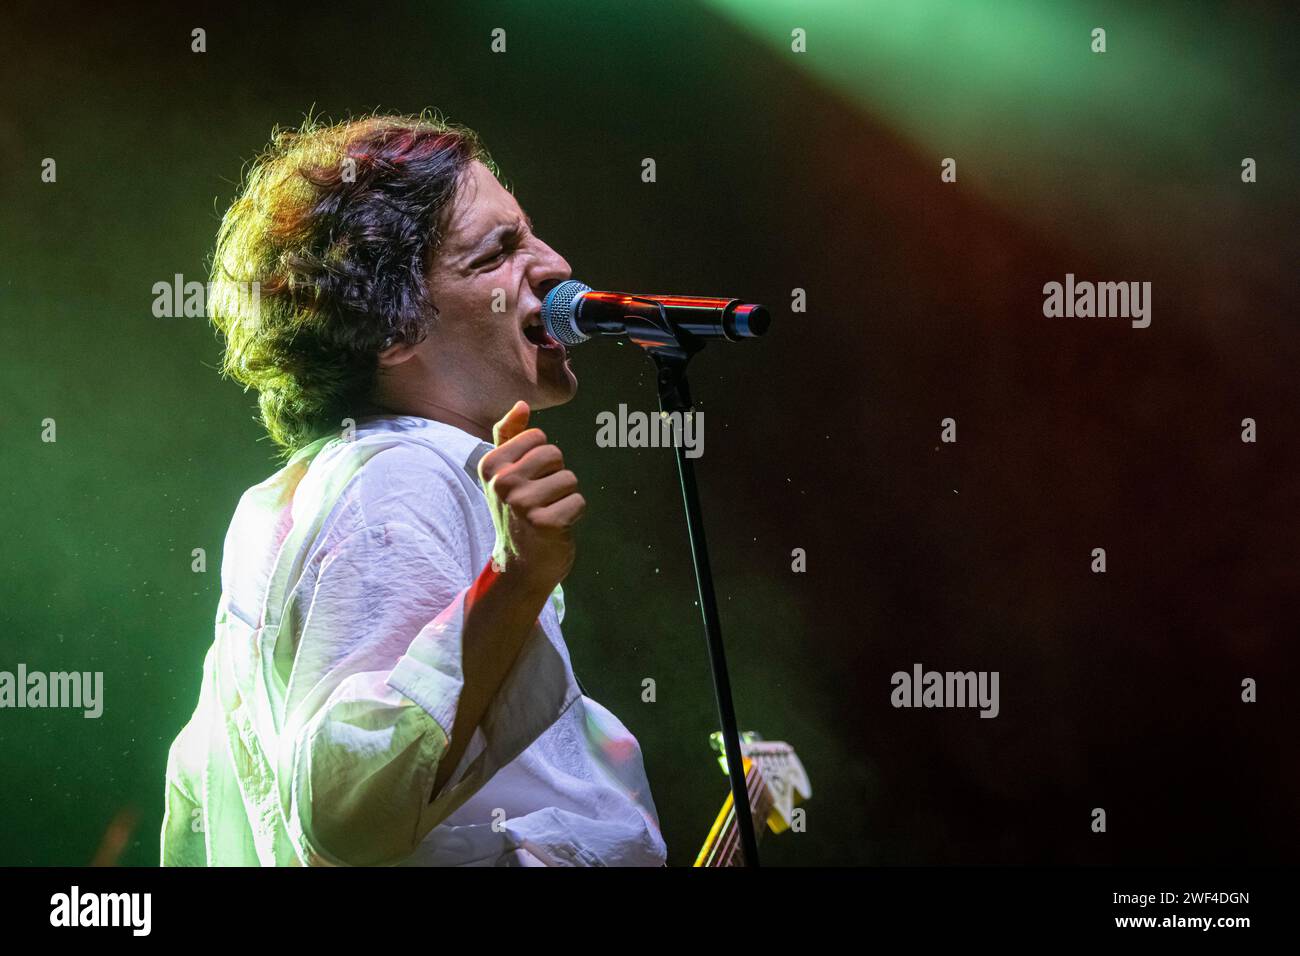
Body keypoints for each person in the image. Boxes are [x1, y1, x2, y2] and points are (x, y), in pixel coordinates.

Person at [160, 113, 667, 866]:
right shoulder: (405, 476)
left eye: (531, 234)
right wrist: (515, 577)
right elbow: (345, 813)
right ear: (391, 327)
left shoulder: (307, 495)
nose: (557, 264)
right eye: (499, 251)